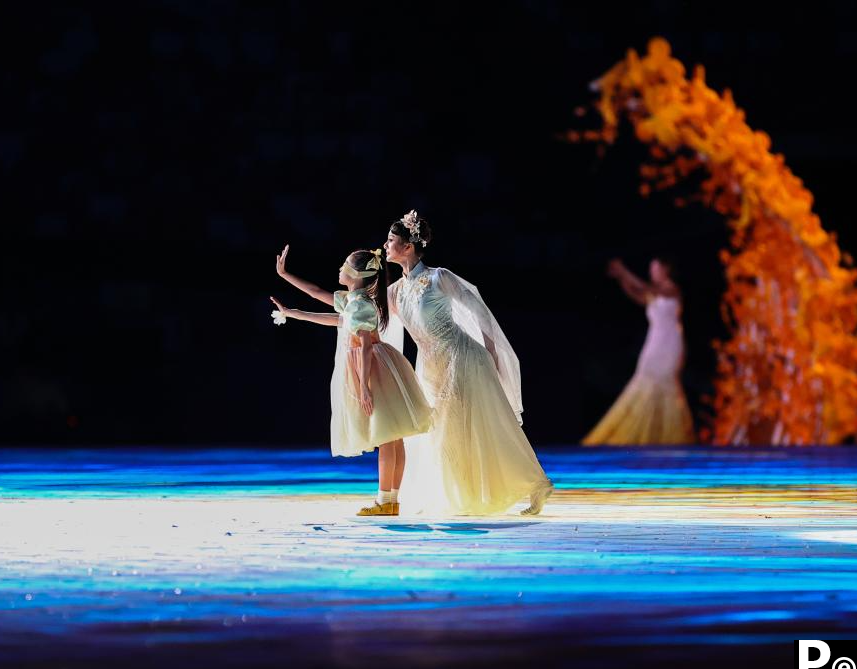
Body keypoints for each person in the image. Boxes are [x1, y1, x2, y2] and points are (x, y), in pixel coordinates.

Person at [383, 210, 554, 516]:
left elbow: (478, 310)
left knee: (481, 427)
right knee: (440, 433)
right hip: (430, 366)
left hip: (461, 358)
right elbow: (358, 313)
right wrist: (298, 309)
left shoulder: (439, 277)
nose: (385, 245)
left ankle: (534, 484)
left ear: (408, 247)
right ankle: (461, 494)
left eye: (391, 240)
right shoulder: (396, 291)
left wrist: (492, 352)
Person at [271, 245, 432, 516]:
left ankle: (386, 500)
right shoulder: (354, 301)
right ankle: (390, 500)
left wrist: (364, 387)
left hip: (373, 369)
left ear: (356, 274)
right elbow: (324, 303)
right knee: (393, 437)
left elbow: (366, 346)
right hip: (376, 366)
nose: (339, 268)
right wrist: (289, 294)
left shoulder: (360, 304)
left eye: (345, 264)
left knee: (389, 436)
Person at [582, 257, 695, 445]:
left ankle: (667, 436)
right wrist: (621, 278)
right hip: (655, 341)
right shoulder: (655, 294)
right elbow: (637, 294)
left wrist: (624, 270)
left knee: (666, 384)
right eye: (651, 269)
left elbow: (645, 288)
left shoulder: (671, 289)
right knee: (645, 380)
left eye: (656, 268)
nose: (653, 272)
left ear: (666, 269)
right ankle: (650, 435)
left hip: (669, 343)